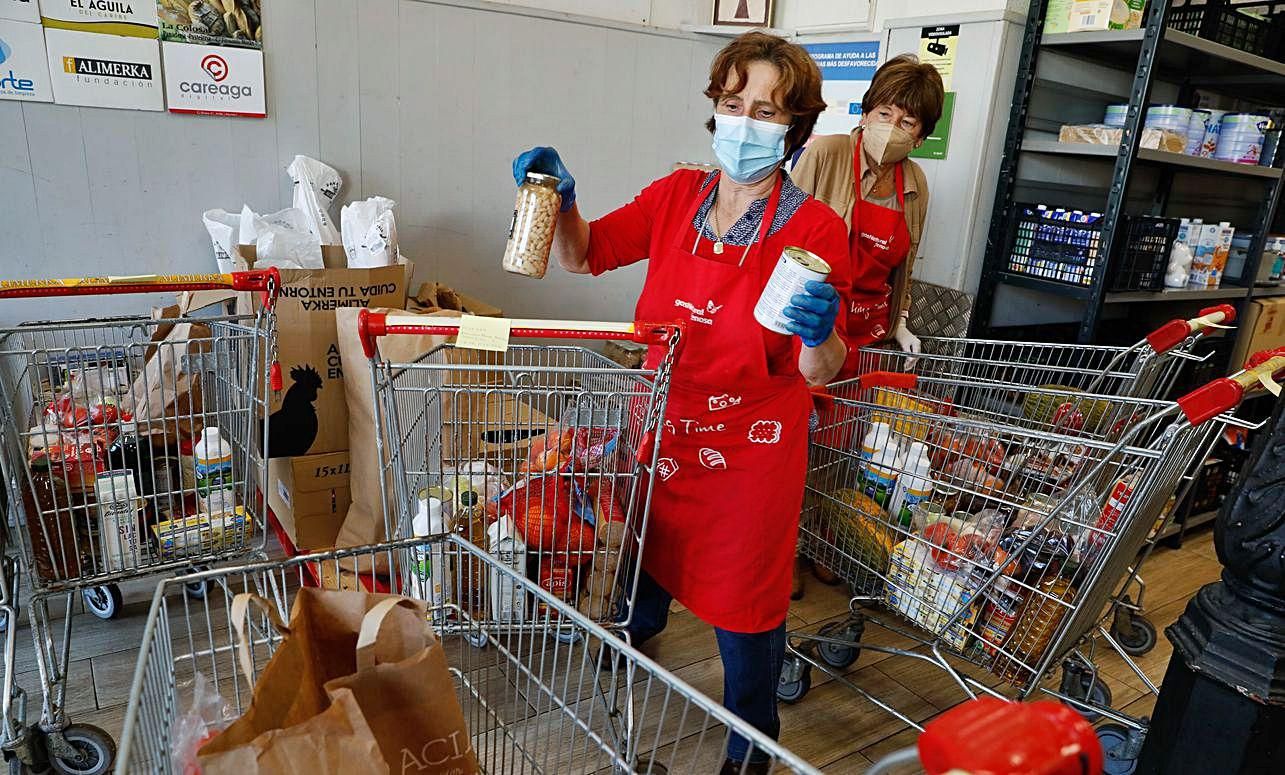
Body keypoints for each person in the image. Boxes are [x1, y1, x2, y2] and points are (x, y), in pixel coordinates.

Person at [512, 31, 851, 774]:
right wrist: (563, 204)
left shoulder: (814, 231)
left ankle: (751, 739)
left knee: (745, 599)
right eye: (733, 104)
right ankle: (638, 629)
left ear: (794, 127)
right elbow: (582, 253)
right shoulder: (675, 197)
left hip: (749, 451)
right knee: (650, 543)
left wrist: (820, 334)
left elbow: (821, 369)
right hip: (662, 425)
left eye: (766, 111)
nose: (744, 123)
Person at [792, 53, 945, 362]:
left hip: (871, 330)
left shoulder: (915, 183)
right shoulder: (826, 154)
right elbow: (782, 236)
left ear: (920, 139)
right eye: (884, 114)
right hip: (813, 323)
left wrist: (900, 322)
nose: (891, 128)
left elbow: (907, 264)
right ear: (864, 115)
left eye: (907, 122)